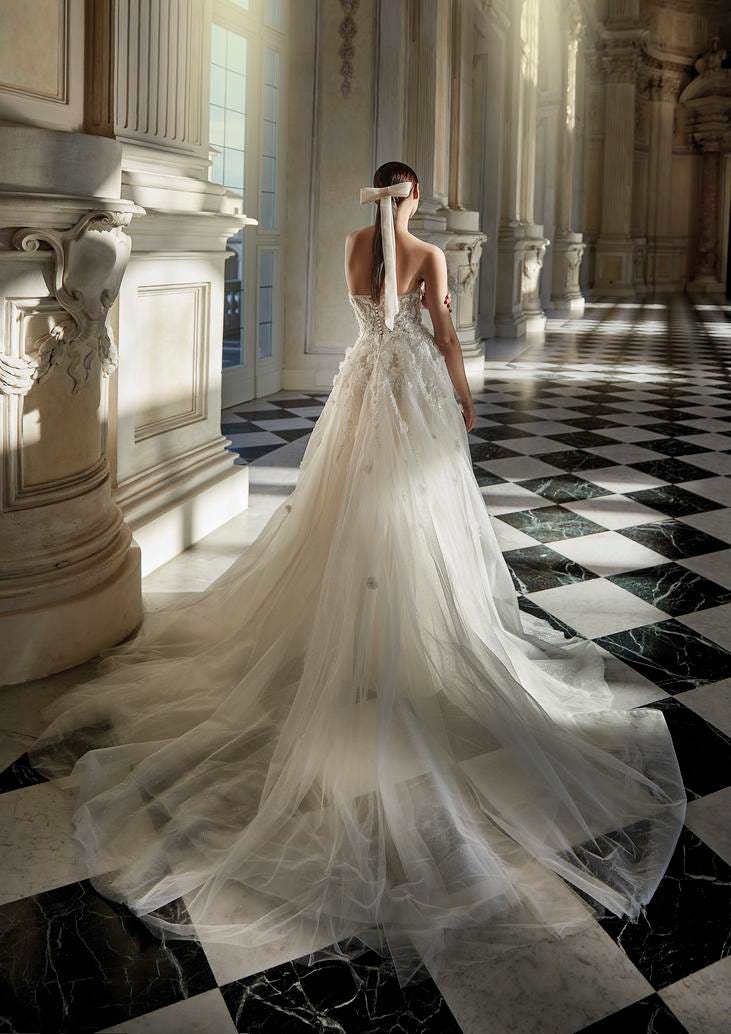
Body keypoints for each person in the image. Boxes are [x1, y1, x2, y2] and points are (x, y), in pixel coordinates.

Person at [25, 162, 686, 988]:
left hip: (363, 382)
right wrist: (461, 393)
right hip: (407, 384)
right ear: (409, 198)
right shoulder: (427, 253)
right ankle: (414, 633)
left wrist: (386, 254)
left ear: (371, 198)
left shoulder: (352, 245)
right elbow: (441, 329)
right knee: (416, 501)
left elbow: (364, 314)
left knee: (344, 500)